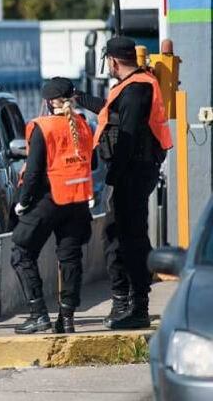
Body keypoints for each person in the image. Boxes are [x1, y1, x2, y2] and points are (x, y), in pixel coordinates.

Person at [77, 36, 173, 330]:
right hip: (132, 171)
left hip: (131, 173)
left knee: (129, 239)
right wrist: (78, 97)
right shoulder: (134, 86)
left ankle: (137, 307)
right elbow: (112, 113)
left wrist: (113, 177)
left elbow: (127, 137)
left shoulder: (137, 90)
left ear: (113, 61)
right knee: (118, 236)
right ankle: (125, 301)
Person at [10, 77, 94, 334]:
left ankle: (38, 315)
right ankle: (66, 319)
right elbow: (94, 163)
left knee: (21, 251)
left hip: (49, 200)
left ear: (48, 102)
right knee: (70, 258)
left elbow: (33, 172)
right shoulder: (82, 124)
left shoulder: (42, 127)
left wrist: (23, 202)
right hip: (77, 201)